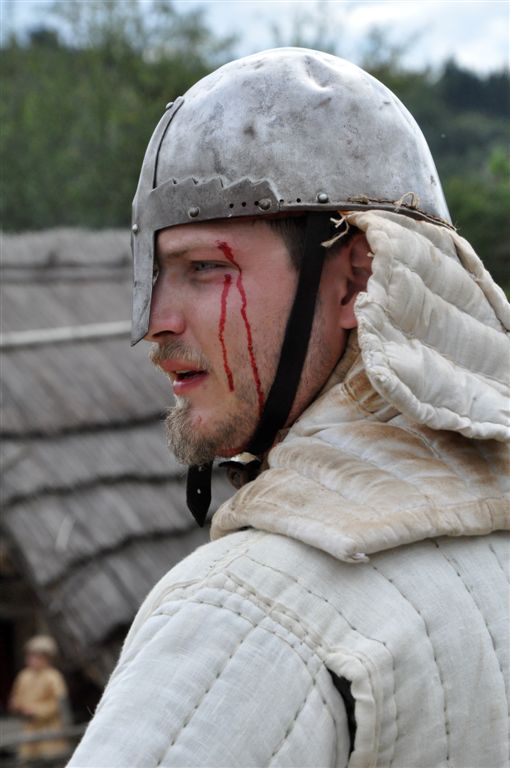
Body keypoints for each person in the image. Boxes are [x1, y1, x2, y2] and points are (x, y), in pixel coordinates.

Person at [69, 48, 509, 767]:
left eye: (203, 268)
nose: (156, 324)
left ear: (355, 279)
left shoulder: (241, 614)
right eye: (157, 274)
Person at [9, 634, 70, 762]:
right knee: (28, 760)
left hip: (49, 728)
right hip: (29, 728)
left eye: (36, 656)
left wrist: (36, 710)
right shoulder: (24, 676)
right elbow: (17, 696)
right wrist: (16, 704)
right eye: (30, 656)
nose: (31, 660)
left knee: (49, 761)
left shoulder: (53, 676)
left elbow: (58, 703)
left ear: (46, 658)